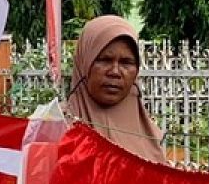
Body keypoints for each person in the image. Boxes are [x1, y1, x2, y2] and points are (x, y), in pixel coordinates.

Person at [66, 15, 166, 163]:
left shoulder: (152, 137)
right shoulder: (57, 127)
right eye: (104, 60)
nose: (115, 71)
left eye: (126, 62)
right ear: (84, 63)